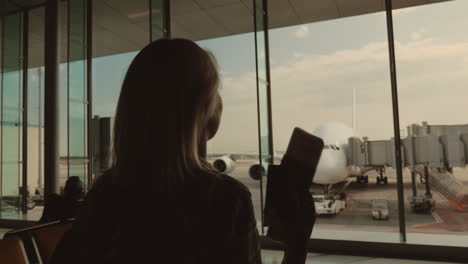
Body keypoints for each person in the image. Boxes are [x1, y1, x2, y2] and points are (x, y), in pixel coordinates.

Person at [50, 39, 309, 264]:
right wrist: (296, 248)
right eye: (215, 93)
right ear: (207, 116)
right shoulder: (227, 200)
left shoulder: (105, 192)